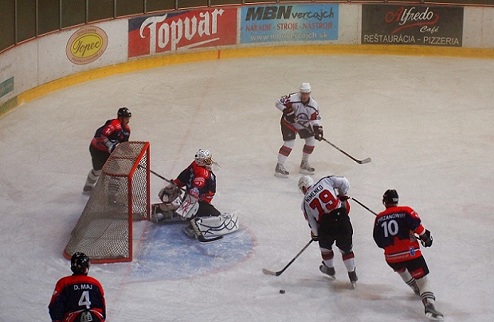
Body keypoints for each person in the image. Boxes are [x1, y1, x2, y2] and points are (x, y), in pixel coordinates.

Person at [373, 189, 444, 320]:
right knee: (423, 281)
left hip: (392, 258)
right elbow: (419, 229)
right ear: (397, 200)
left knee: (401, 269)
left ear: (384, 201)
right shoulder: (405, 211)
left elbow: (378, 241)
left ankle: (414, 287)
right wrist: (426, 238)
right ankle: (429, 305)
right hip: (411, 254)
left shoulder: (379, 218)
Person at [154, 149, 238, 239]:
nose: (209, 162)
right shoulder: (203, 174)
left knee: (191, 208)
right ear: (200, 161)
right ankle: (192, 227)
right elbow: (196, 190)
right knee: (215, 215)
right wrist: (193, 201)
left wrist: (176, 183)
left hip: (190, 198)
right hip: (199, 201)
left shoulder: (194, 164)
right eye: (206, 160)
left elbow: (184, 175)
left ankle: (165, 213)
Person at [298, 175, 358, 288]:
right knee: (346, 250)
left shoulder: (305, 202)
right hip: (341, 216)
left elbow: (312, 224)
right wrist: (342, 194)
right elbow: (344, 182)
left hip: (326, 224)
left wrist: (316, 235)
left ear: (304, 187)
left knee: (325, 248)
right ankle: (352, 274)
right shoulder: (325, 181)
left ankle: (329, 268)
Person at [274, 82, 323, 177]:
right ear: (300, 92)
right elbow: (278, 103)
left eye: (307, 93)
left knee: (311, 141)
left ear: (310, 93)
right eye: (303, 93)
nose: (304, 96)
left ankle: (304, 164)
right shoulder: (292, 98)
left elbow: (315, 119)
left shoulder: (313, 105)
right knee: (289, 143)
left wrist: (317, 129)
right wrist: (286, 111)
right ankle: (279, 166)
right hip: (288, 124)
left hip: (303, 124)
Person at [83, 107, 132, 192]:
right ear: (120, 118)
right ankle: (88, 187)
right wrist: (109, 145)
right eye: (126, 118)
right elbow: (99, 135)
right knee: (98, 171)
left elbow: (124, 145)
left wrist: (132, 157)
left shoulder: (127, 130)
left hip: (107, 152)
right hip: (97, 150)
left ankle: (112, 197)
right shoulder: (114, 125)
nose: (128, 121)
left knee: (115, 172)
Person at [48, 252, 106, 322]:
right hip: (96, 318)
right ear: (86, 267)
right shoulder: (95, 283)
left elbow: (55, 306)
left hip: (73, 318)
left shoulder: (64, 283)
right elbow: (102, 308)